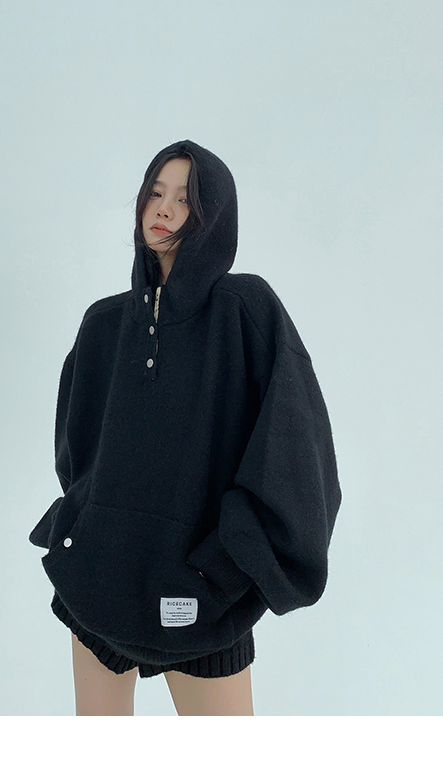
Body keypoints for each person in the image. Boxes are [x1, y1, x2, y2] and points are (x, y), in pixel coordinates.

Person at [29, 140, 342, 715]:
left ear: (213, 216)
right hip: (98, 587)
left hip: (203, 600)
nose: (165, 208)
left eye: (186, 198)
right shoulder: (103, 324)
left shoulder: (245, 309)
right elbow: (74, 454)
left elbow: (296, 456)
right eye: (156, 192)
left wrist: (222, 567)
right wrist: (85, 527)